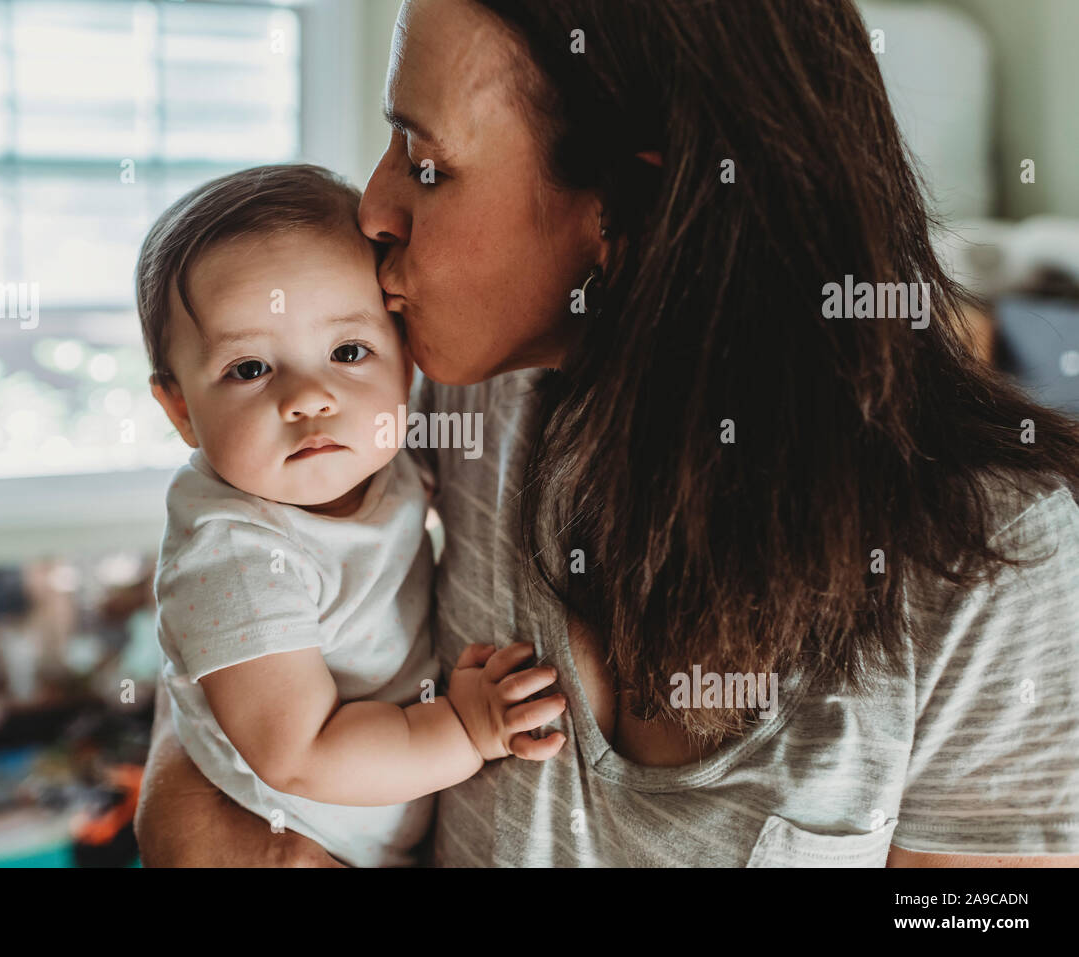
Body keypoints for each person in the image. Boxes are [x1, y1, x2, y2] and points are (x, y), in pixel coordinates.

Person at [137, 0, 1079, 866]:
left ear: (624, 211)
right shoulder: (462, 394)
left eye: (426, 164)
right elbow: (241, 581)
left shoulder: (1000, 561)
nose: (375, 210)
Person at [136, 164, 568, 868]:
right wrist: (463, 725)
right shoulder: (234, 553)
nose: (309, 397)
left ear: (406, 367)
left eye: (347, 351)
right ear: (180, 406)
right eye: (249, 368)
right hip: (296, 835)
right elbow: (302, 754)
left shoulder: (381, 455)